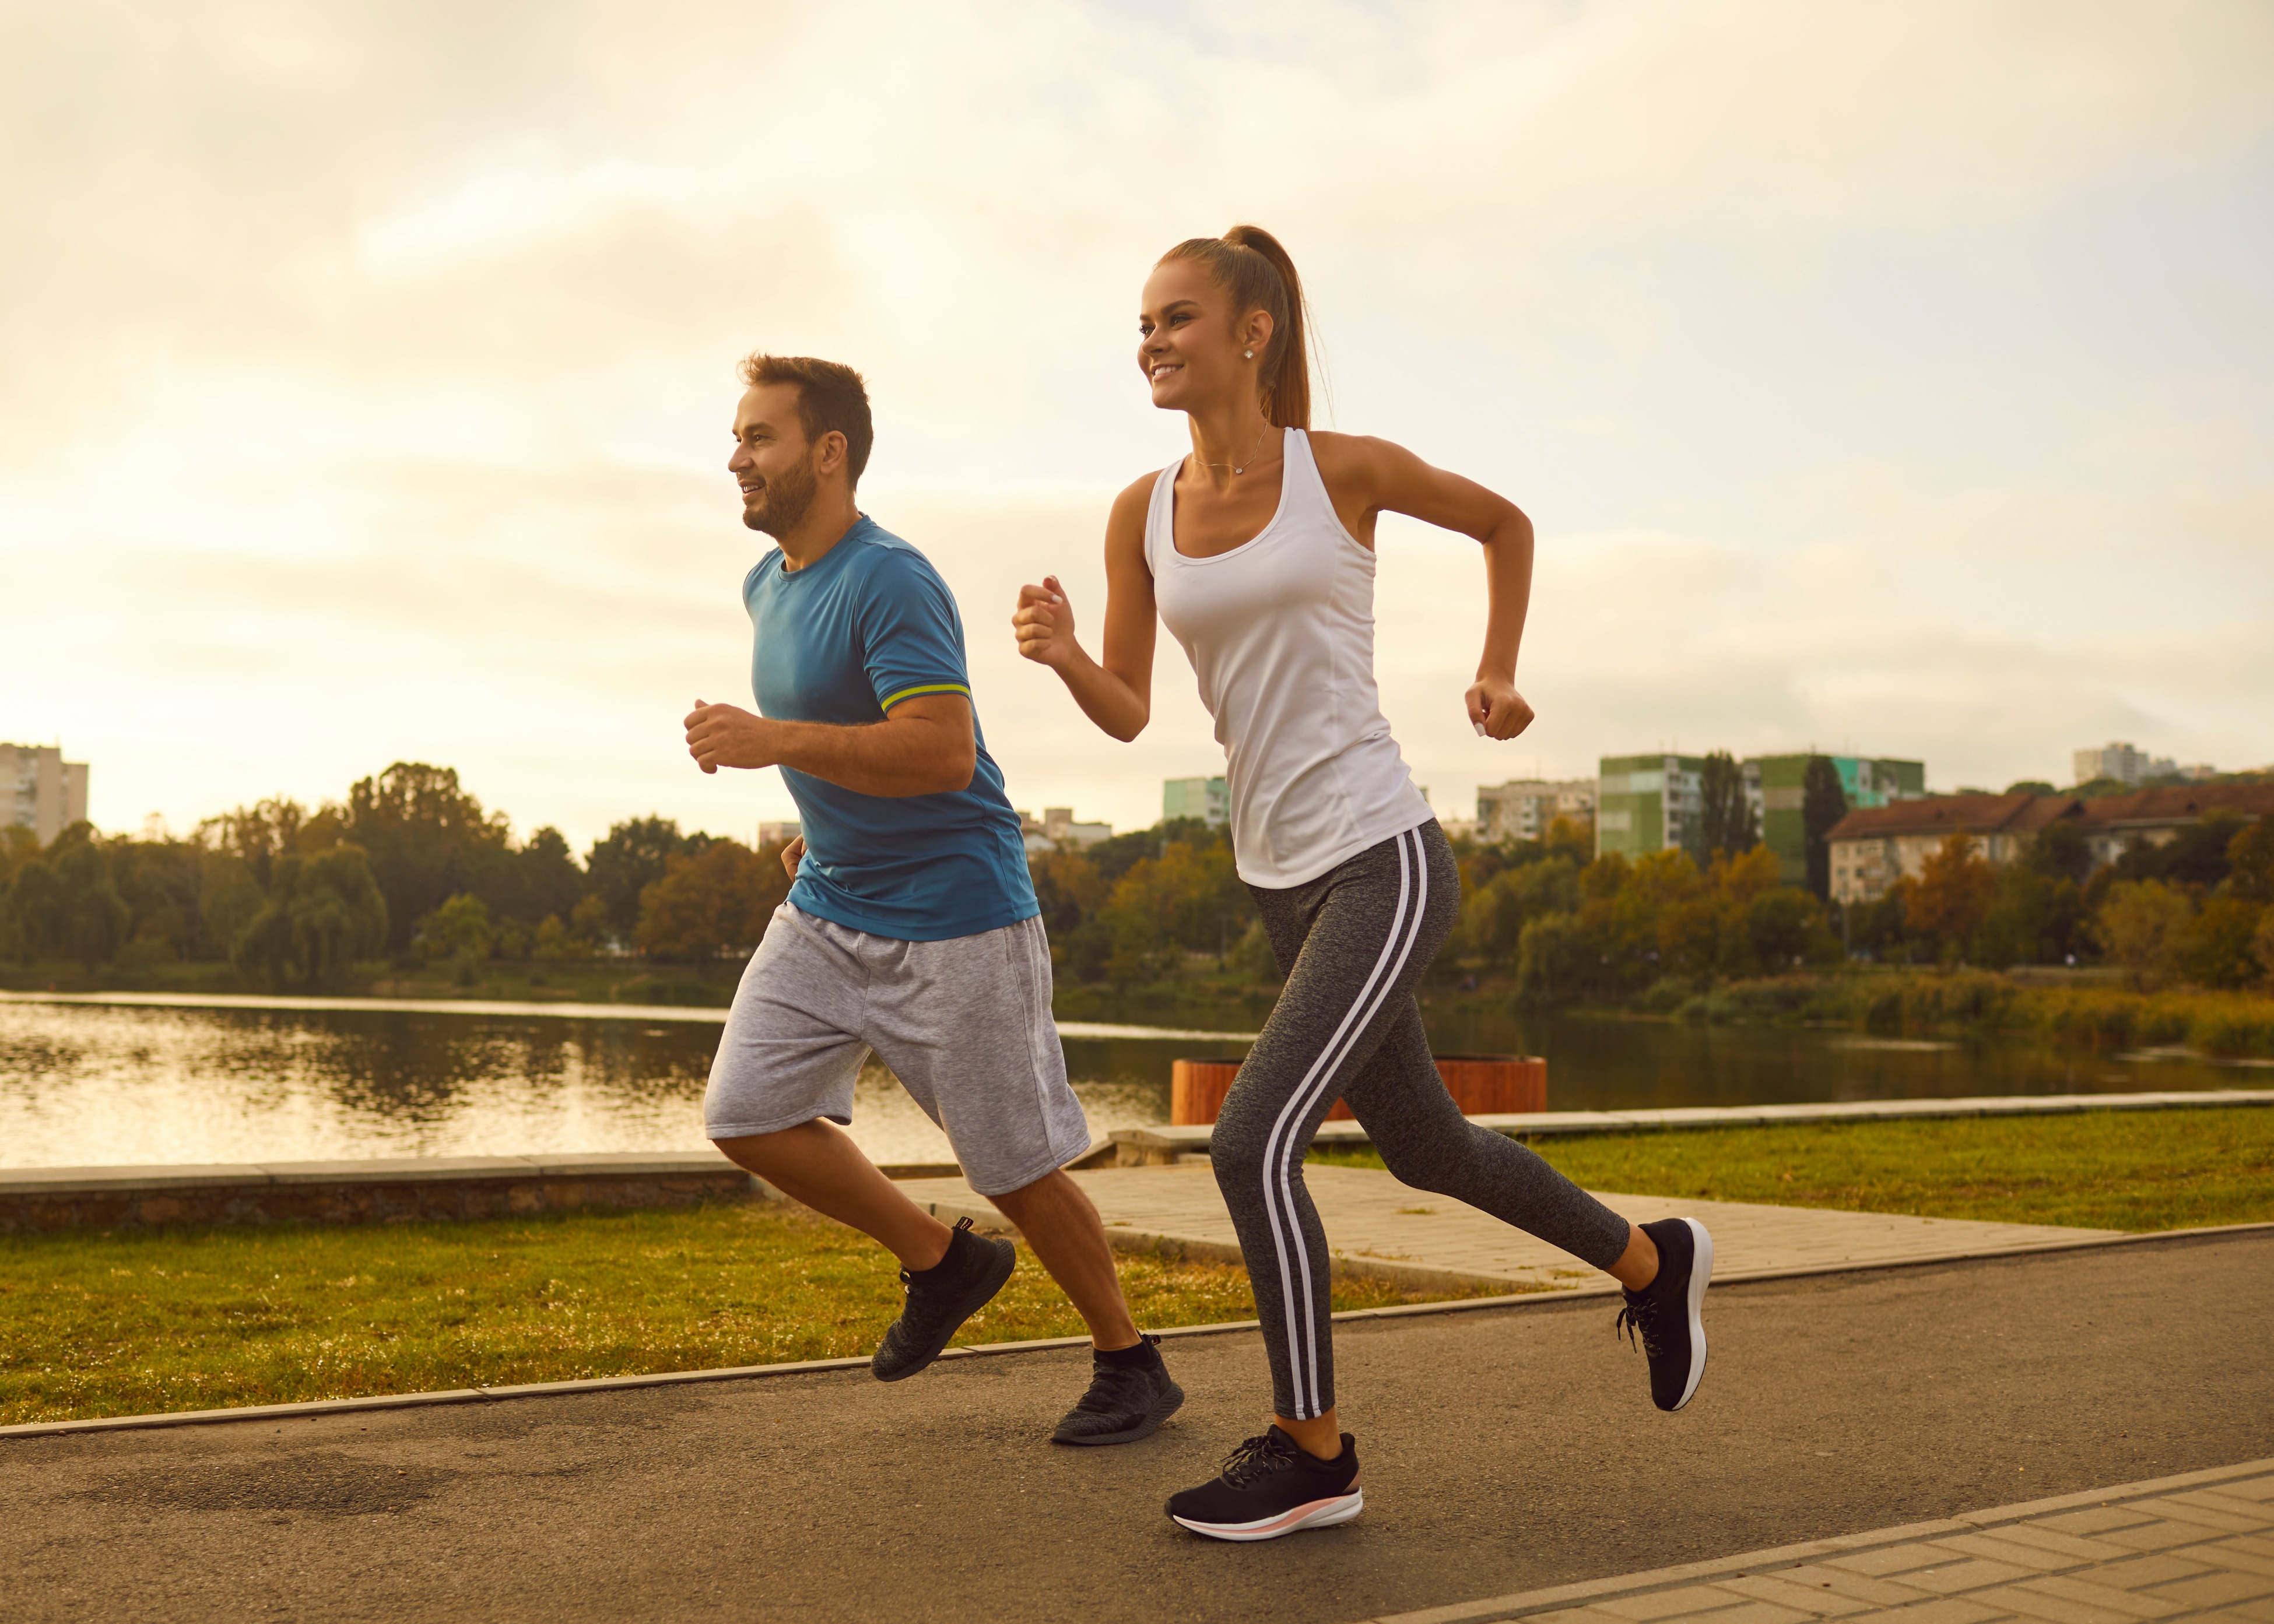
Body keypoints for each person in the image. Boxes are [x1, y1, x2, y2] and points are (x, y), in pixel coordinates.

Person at [1011, 229, 1712, 1539]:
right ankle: (1651, 1260)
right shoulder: (1141, 510)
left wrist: (1499, 669)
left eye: (1176, 317)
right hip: (1277, 877)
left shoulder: (1342, 470)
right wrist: (1061, 656)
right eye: (1143, 323)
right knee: (1427, 1145)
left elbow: (1504, 523)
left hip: (1382, 856)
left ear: (1254, 330)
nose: (1151, 341)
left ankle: (1313, 1449)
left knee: (1250, 1140)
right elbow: (1130, 710)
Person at [687, 352, 1182, 1446]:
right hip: (829, 902)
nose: (737, 459)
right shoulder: (768, 584)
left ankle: (1130, 1360)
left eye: (760, 438)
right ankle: (941, 1261)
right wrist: (820, 824)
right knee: (745, 1109)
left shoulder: (892, 578)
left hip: (959, 913)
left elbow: (943, 751)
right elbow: (850, 734)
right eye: (736, 438)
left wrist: (772, 741)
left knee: (1014, 1165)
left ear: (829, 452)